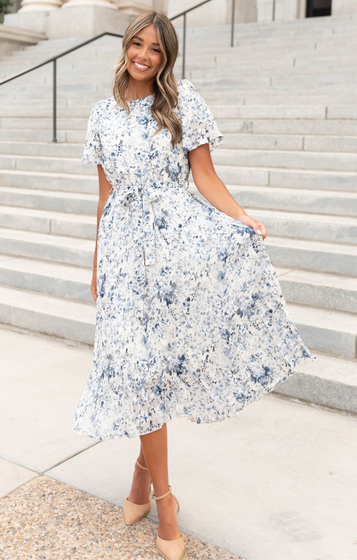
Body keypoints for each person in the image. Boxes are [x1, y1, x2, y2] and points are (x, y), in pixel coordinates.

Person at [72, 10, 315, 560]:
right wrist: (96, 265)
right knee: (137, 368)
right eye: (137, 44)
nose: (144, 56)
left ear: (167, 57)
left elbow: (204, 176)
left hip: (174, 250)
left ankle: (155, 488)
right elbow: (104, 198)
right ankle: (160, 490)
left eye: (156, 50)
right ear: (125, 47)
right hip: (122, 257)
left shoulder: (183, 103)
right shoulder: (101, 115)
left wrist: (243, 219)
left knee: (154, 369)